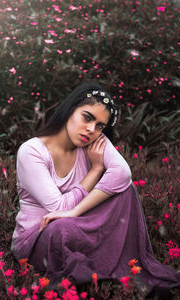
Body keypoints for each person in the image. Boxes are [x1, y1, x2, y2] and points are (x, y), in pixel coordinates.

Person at [11, 82, 180, 297]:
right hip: (39, 237)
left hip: (76, 225)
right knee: (60, 230)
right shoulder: (32, 151)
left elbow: (123, 173)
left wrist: (75, 212)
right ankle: (101, 259)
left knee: (125, 191)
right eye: (87, 117)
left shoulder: (94, 141)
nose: (92, 130)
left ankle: (102, 262)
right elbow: (58, 207)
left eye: (100, 126)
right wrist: (96, 169)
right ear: (70, 109)